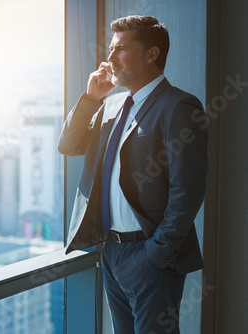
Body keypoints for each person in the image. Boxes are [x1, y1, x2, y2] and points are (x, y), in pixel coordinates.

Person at [58, 15, 207, 334]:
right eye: (110, 50)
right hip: (112, 251)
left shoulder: (178, 106)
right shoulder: (110, 106)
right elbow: (69, 145)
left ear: (151, 54)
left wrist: (155, 255)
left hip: (150, 254)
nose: (109, 59)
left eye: (121, 49)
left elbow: (187, 192)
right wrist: (91, 99)